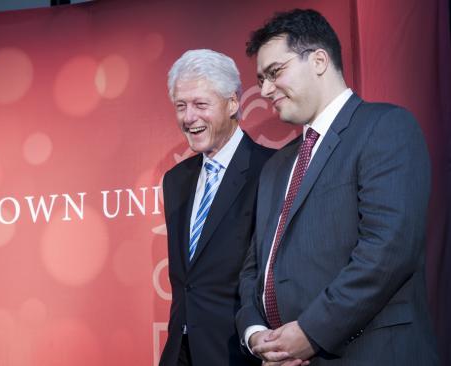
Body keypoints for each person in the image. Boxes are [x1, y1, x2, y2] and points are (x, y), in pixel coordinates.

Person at [236, 9, 440, 366]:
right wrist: (256, 335)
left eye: (274, 72)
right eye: (261, 78)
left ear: (318, 60)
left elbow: (388, 250)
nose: (264, 90)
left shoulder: (386, 128)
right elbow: (254, 269)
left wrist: (312, 332)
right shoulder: (275, 166)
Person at [159, 49, 274, 366]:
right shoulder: (175, 180)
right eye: (181, 106)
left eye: (200, 104)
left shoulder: (271, 171)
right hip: (180, 352)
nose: (188, 117)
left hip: (239, 353)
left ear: (233, 103)